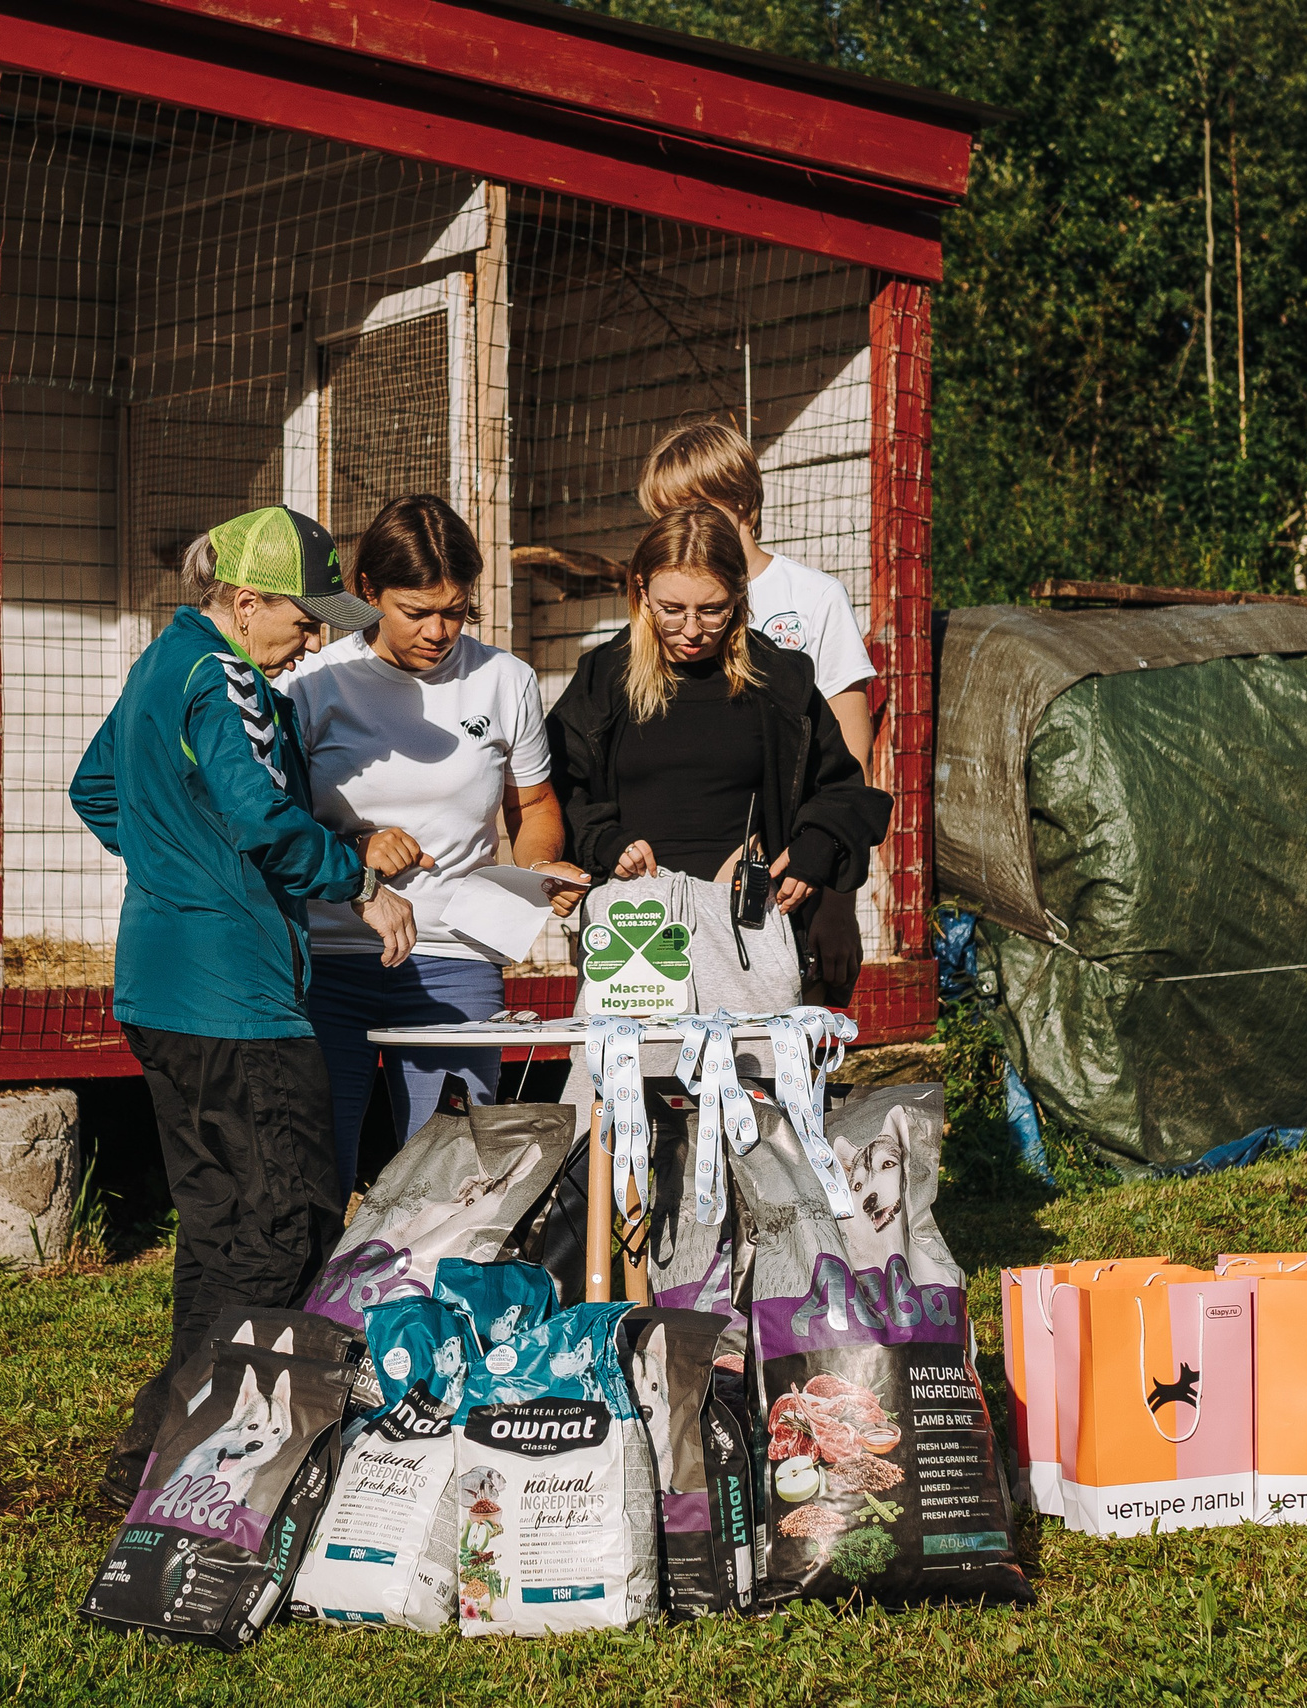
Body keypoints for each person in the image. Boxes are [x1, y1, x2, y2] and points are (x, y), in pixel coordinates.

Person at [69, 503, 417, 1511]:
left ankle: (159, 1453)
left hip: (160, 988)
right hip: (239, 1001)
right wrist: (357, 880)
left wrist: (177, 871)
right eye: (301, 617)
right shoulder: (227, 681)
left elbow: (97, 790)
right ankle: (205, 1451)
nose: (312, 637)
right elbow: (266, 819)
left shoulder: (159, 662)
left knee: (221, 1225)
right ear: (245, 599)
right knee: (289, 1220)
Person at [279, 494, 590, 1198]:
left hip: (458, 955)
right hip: (331, 954)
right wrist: (355, 842)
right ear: (366, 594)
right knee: (318, 1161)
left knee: (457, 1170)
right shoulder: (313, 682)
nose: (439, 630)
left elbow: (534, 804)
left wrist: (538, 866)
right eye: (416, 612)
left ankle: (441, 1303)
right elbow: (279, 821)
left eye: (455, 610)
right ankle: (324, 1301)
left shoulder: (504, 679)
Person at [546, 504, 890, 1014]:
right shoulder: (604, 680)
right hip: (635, 921)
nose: (691, 630)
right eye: (671, 608)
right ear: (641, 593)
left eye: (712, 610)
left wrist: (815, 848)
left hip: (747, 918)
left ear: (740, 598)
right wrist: (602, 840)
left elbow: (846, 790)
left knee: (754, 1084)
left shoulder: (780, 680)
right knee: (626, 1083)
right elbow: (556, 786)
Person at [638, 421, 877, 999]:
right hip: (679, 891)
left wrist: (838, 902)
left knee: (785, 1064)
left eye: (690, 509)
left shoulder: (811, 597)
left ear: (741, 501)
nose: (680, 529)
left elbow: (852, 760)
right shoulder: (664, 605)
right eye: (664, 516)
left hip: (792, 881)